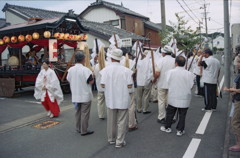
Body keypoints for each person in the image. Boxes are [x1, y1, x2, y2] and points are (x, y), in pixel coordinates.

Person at [100, 48, 133, 148]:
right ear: (120, 58)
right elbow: (130, 86)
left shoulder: (105, 70)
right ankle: (120, 141)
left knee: (111, 120)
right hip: (123, 98)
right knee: (122, 121)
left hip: (111, 98)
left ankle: (111, 139)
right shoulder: (127, 71)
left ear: (111, 58)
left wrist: (110, 87)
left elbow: (102, 85)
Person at [160, 56, 194, 136]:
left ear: (176, 63)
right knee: (182, 114)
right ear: (185, 64)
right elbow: (191, 86)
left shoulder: (170, 72)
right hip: (185, 96)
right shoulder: (189, 74)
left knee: (170, 113)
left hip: (173, 95)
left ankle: (167, 127)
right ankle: (180, 130)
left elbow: (168, 82)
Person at [67, 52, 94, 136]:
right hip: (85, 94)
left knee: (78, 112)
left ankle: (78, 128)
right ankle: (84, 130)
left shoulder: (71, 69)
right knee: (84, 113)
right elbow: (91, 82)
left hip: (75, 94)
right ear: (83, 59)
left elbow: (68, 79)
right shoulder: (86, 70)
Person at [224, 48, 240, 152]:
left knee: (235, 122)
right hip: (237, 99)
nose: (237, 63)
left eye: (239, 62)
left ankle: (239, 144)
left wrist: (231, 89)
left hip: (239, 101)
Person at [155, 46, 175, 124]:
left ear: (164, 53)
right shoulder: (174, 61)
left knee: (161, 101)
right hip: (172, 84)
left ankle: (161, 117)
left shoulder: (160, 60)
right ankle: (171, 117)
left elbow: (157, 73)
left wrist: (154, 79)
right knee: (170, 101)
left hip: (161, 83)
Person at [120, 50, 138, 131]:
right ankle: (131, 124)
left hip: (120, 86)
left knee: (122, 106)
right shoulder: (131, 62)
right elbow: (134, 74)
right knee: (131, 106)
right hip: (129, 86)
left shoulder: (118, 62)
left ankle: (122, 124)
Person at [136, 50, 153, 114]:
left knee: (139, 96)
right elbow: (151, 72)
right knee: (146, 96)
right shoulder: (150, 61)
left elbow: (137, 70)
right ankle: (145, 109)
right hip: (147, 81)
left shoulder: (139, 61)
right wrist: (150, 79)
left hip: (139, 81)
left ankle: (139, 108)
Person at [94, 47, 107, 120]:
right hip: (107, 87)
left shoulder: (96, 66)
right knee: (108, 101)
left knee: (100, 101)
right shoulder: (108, 64)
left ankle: (101, 115)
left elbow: (95, 75)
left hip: (99, 86)